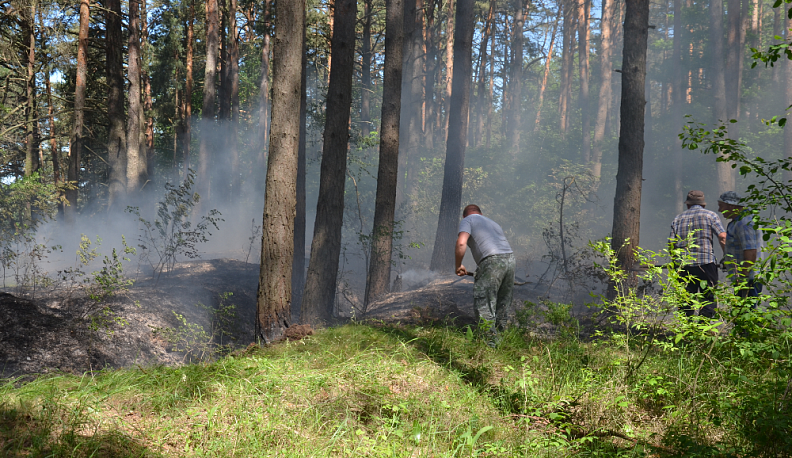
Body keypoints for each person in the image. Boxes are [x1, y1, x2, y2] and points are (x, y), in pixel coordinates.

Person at [455, 204, 515, 345]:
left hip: (492, 261)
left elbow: (461, 244)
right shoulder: (492, 222)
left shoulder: (468, 220)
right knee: (503, 302)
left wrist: (458, 265)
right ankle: (502, 341)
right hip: (510, 260)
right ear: (481, 213)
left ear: (464, 215)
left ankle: (489, 346)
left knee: (485, 303)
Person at [669, 190, 726, 318]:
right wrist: (726, 257)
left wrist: (675, 262)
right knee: (708, 298)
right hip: (706, 263)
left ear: (688, 204)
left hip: (684, 265)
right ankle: (703, 329)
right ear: (703, 204)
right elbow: (722, 236)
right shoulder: (711, 216)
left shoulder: (678, 218)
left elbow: (671, 243)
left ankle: (687, 330)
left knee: (685, 299)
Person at [717, 191, 762, 298]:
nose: (719, 210)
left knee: (746, 311)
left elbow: (750, 251)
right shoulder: (738, 222)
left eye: (721, 206)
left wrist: (743, 278)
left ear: (731, 206)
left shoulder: (744, 223)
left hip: (747, 280)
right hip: (744, 279)